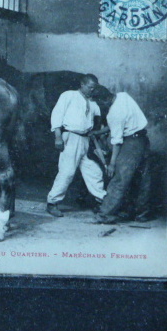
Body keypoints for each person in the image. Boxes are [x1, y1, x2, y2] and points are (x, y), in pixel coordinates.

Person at [46, 74, 107, 217]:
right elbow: (57, 115)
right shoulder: (69, 95)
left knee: (94, 171)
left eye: (94, 88)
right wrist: (58, 137)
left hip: (86, 140)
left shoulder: (93, 103)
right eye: (90, 87)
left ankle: (102, 201)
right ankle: (52, 203)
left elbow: (97, 123)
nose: (92, 90)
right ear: (82, 84)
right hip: (71, 137)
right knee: (67, 172)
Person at [93, 90, 152, 224]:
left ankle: (105, 215)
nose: (100, 107)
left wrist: (112, 164)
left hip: (131, 143)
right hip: (143, 140)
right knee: (143, 179)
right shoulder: (123, 96)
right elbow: (119, 123)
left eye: (100, 103)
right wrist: (99, 131)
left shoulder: (114, 113)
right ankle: (141, 214)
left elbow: (117, 141)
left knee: (120, 178)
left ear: (105, 100)